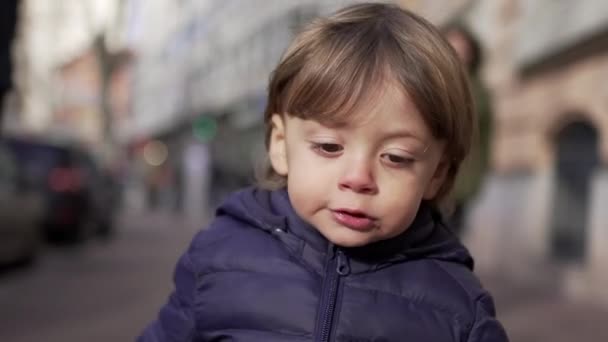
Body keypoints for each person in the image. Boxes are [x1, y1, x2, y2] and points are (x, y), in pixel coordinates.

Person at [139, 3, 508, 341]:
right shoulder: (219, 257)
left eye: (395, 157)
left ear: (437, 175)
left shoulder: (458, 308)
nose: (358, 178)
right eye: (330, 147)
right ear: (281, 146)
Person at [443, 23, 493, 236]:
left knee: (451, 232)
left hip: (463, 173)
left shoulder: (480, 91)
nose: (458, 53)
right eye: (452, 46)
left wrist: (479, 175)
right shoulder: (431, 81)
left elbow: (487, 136)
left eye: (463, 48)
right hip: (426, 167)